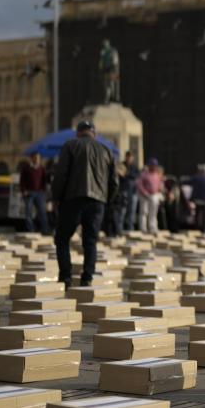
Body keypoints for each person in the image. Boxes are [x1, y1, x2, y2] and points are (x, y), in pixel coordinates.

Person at [50, 121, 117, 288]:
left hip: (73, 198)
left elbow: (61, 175)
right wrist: (106, 201)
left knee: (62, 238)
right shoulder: (107, 150)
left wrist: (56, 197)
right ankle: (87, 277)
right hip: (97, 202)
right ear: (94, 133)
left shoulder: (70, 146)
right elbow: (114, 182)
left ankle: (66, 277)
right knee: (90, 241)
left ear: (78, 133)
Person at [20, 152, 49, 234]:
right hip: (29, 193)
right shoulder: (26, 168)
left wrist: (43, 191)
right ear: (32, 158)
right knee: (28, 213)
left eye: (38, 158)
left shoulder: (42, 168)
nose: (37, 159)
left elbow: (44, 181)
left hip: (39, 193)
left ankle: (45, 230)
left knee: (42, 212)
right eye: (35, 158)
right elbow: (22, 181)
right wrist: (23, 191)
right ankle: (31, 230)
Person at [134, 159, 163, 233]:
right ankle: (143, 228)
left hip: (154, 195)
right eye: (152, 165)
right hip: (145, 196)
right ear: (149, 166)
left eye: (155, 166)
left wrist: (159, 190)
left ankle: (152, 227)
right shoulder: (144, 174)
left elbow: (159, 184)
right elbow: (139, 184)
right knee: (144, 212)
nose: (154, 167)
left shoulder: (157, 174)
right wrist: (145, 192)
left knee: (153, 213)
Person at [189, 164, 205, 231]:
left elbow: (188, 182)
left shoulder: (196, 177)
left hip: (197, 199)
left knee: (197, 213)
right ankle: (204, 228)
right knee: (204, 214)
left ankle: (196, 227)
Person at [120, 151, 140, 231]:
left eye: (131, 157)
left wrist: (127, 174)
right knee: (123, 210)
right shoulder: (122, 165)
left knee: (132, 211)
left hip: (133, 192)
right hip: (124, 190)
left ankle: (130, 228)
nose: (129, 158)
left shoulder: (134, 167)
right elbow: (120, 175)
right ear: (126, 157)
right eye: (128, 156)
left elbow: (137, 176)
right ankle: (121, 228)